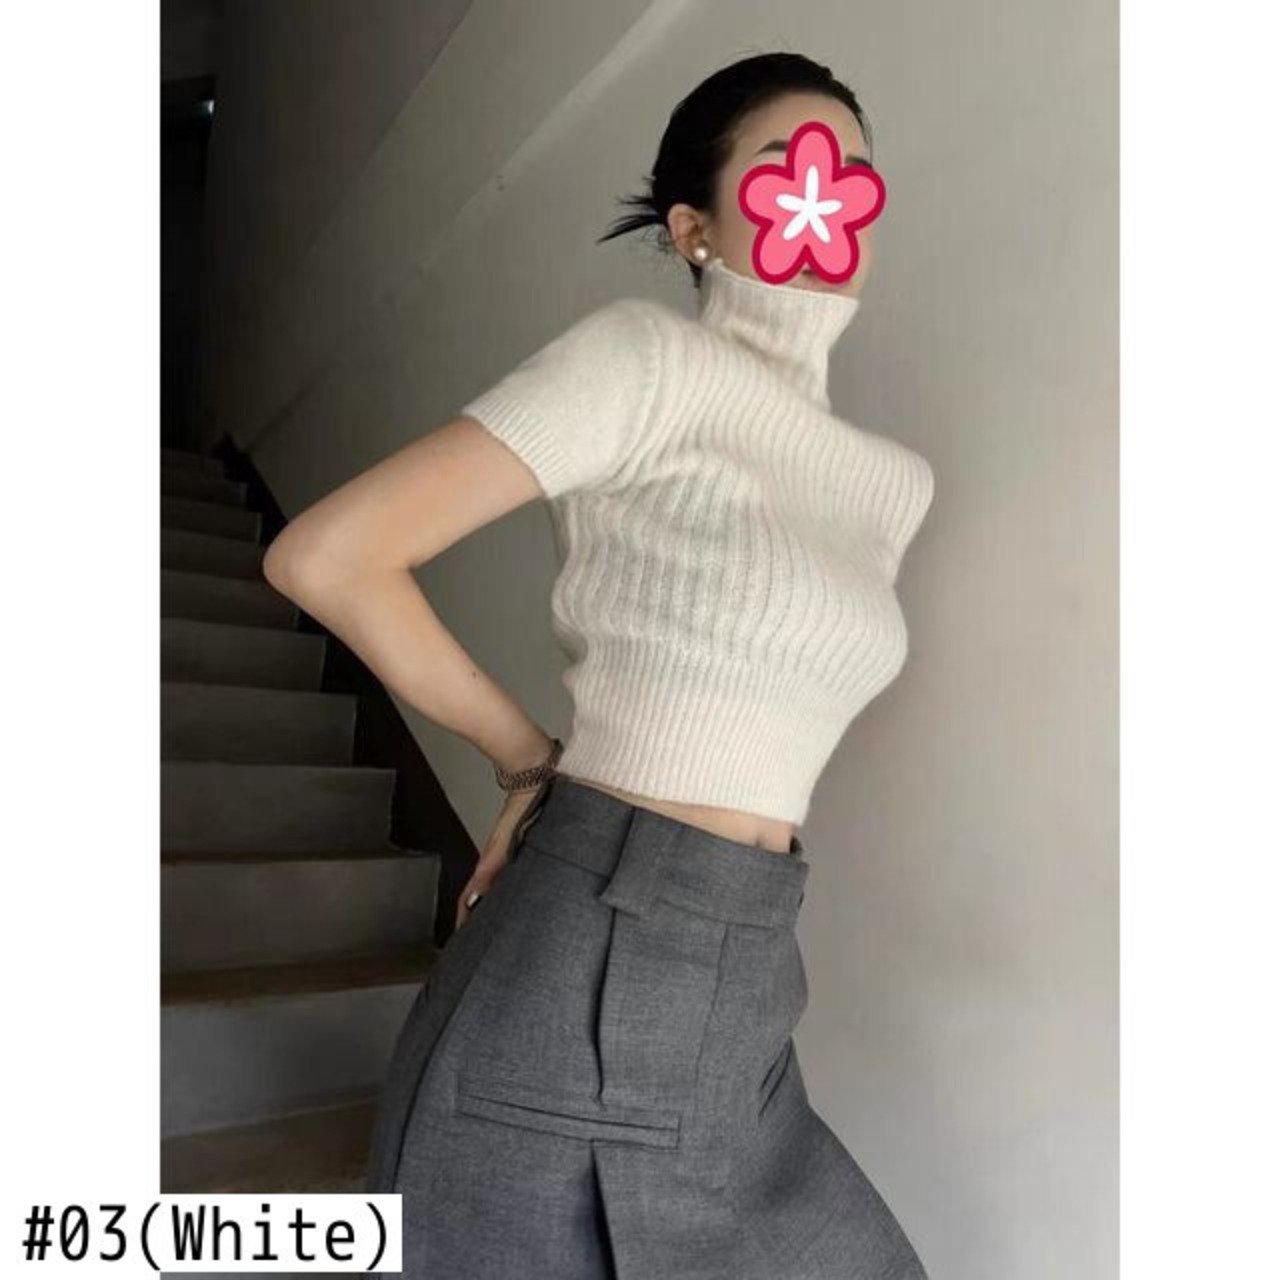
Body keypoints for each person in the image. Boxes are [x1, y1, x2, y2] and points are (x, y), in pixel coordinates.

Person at [264, 50, 933, 1280]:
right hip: (592, 934)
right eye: (786, 164)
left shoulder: (890, 485)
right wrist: (527, 761)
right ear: (691, 226)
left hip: (748, 959)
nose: (822, 195)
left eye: (852, 172)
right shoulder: (645, 363)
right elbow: (328, 555)